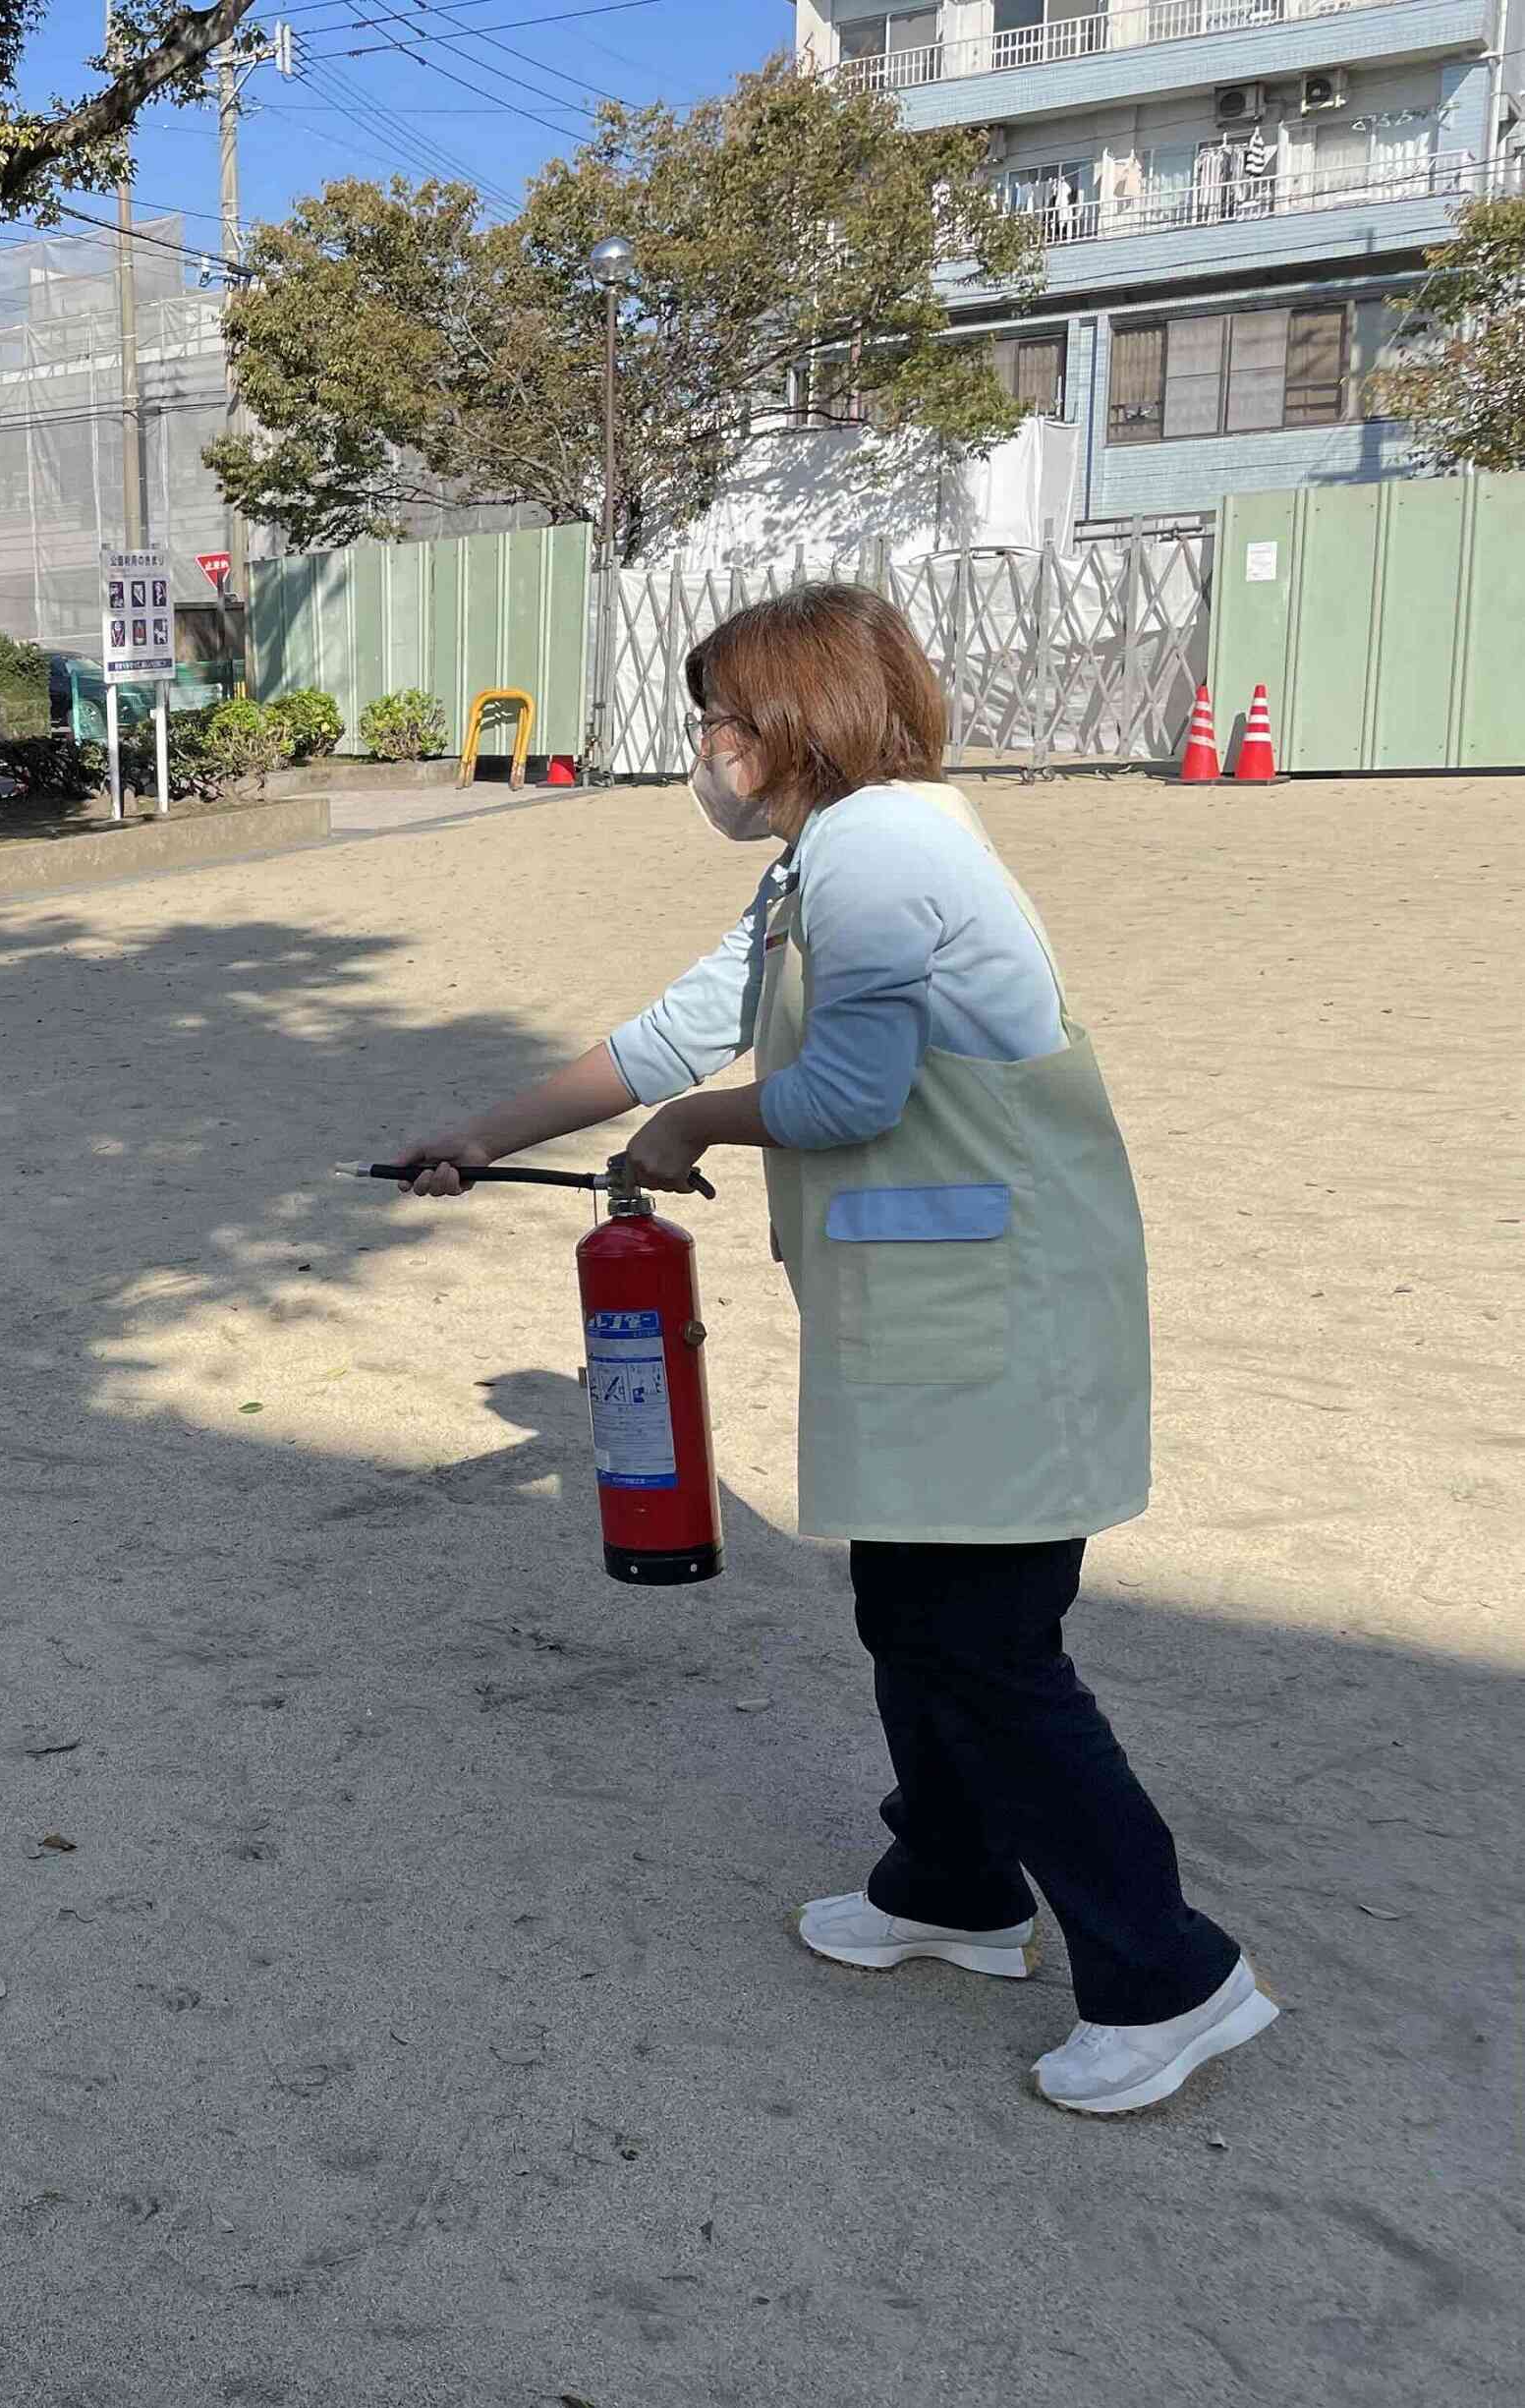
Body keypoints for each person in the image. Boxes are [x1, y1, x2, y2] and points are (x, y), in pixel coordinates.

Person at [391, 584, 1273, 2116]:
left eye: (716, 719)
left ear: (786, 723)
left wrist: (689, 1130)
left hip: (1002, 1321)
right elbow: (681, 1025)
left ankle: (1172, 1972)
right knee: (912, 1611)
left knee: (988, 1644)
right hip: (936, 1320)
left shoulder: (885, 852)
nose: (704, 750)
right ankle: (952, 1882)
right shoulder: (836, 855)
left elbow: (847, 1094)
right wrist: (480, 1132)